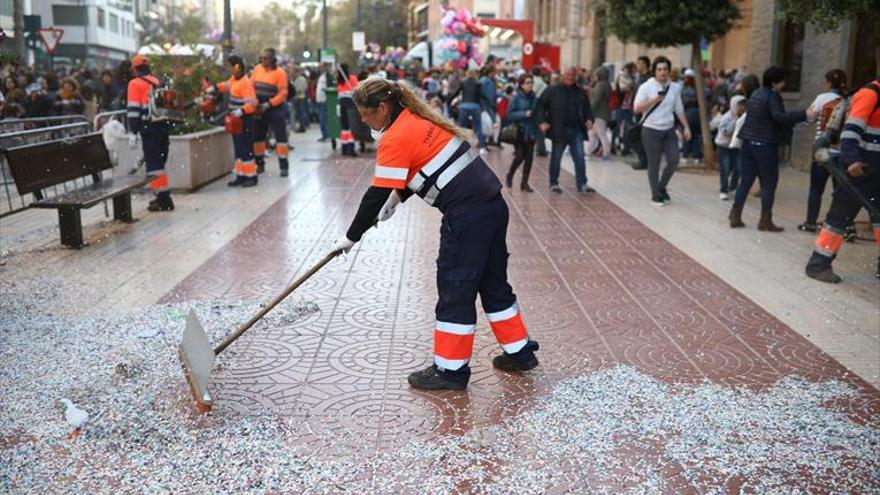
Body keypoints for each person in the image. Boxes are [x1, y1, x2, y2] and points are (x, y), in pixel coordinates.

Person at [329, 77, 540, 390]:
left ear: (383, 108)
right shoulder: (418, 120)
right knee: (493, 281)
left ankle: (450, 371)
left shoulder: (395, 136)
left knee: (456, 286)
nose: (363, 120)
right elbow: (428, 170)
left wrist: (351, 235)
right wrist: (397, 199)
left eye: (365, 113)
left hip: (467, 217)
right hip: (492, 207)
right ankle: (519, 352)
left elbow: (376, 193)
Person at [805, 76, 880, 283]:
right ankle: (818, 264)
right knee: (839, 219)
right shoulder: (870, 94)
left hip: (877, 172)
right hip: (860, 171)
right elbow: (851, 132)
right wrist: (852, 161)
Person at [729, 66, 815, 230]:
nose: (784, 84)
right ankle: (765, 221)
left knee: (746, 181)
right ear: (776, 82)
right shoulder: (773, 95)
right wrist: (804, 114)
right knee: (769, 183)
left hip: (748, 142)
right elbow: (779, 117)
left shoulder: (756, 94)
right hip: (765, 145)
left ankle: (735, 215)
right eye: (783, 81)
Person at [632, 56, 691, 206]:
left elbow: (679, 109)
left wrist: (686, 126)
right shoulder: (646, 86)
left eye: (665, 69)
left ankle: (661, 187)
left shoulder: (675, 87)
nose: (662, 72)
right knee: (654, 164)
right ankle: (655, 195)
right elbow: (637, 108)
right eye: (659, 69)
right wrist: (654, 100)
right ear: (654, 71)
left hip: (669, 129)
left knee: (673, 160)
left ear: (669, 71)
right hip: (651, 129)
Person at [797, 69, 849, 233]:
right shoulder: (848, 101)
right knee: (840, 191)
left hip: (821, 150)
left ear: (828, 83)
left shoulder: (821, 99)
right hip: (841, 151)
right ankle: (845, 226)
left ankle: (811, 222)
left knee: (816, 188)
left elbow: (809, 118)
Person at [538, 66, 596, 193]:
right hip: (558, 130)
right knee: (556, 157)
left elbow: (588, 109)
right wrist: (542, 121)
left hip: (576, 130)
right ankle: (554, 183)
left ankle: (582, 183)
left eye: (572, 75)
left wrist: (590, 119)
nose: (570, 77)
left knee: (580, 157)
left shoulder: (581, 92)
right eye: (568, 75)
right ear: (563, 76)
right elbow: (541, 105)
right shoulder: (552, 90)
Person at [126, 55, 174, 211]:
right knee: (159, 162)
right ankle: (163, 196)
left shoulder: (134, 84)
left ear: (134, 68)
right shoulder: (157, 81)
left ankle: (163, 200)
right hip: (162, 126)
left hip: (149, 128)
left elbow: (134, 110)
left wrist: (133, 131)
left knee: (153, 164)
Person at [211, 54, 259, 187]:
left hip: (245, 119)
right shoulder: (235, 80)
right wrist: (214, 88)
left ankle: (251, 176)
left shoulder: (245, 83)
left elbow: (252, 104)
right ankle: (241, 175)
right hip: (236, 119)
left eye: (230, 66)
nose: (228, 69)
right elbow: (226, 85)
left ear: (237, 67)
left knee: (246, 147)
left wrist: (242, 111)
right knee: (238, 148)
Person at [251, 48, 290, 177]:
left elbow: (283, 94)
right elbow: (251, 86)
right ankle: (259, 163)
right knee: (258, 137)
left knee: (280, 137)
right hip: (259, 106)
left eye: (266, 58)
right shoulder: (257, 69)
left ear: (273, 59)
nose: (263, 60)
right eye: (261, 58)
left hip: (275, 107)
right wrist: (254, 102)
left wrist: (268, 104)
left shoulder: (280, 73)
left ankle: (283, 165)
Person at [505, 74, 539, 192]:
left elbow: (537, 113)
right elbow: (509, 114)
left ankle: (524, 183)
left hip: (531, 131)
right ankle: (510, 174)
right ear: (521, 84)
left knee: (529, 158)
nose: (530, 85)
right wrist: (524, 114)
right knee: (520, 156)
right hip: (520, 131)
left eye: (531, 82)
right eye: (527, 82)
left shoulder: (535, 97)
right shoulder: (516, 98)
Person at [714, 95, 746, 200]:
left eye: (743, 105)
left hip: (736, 146)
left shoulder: (744, 117)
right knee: (725, 169)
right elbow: (726, 131)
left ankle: (733, 187)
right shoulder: (726, 117)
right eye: (740, 105)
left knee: (738, 168)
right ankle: (724, 190)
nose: (742, 107)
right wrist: (735, 121)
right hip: (724, 147)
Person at [453, 69, 487, 151]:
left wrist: (449, 100)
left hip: (464, 106)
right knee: (478, 127)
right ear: (475, 74)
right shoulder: (478, 84)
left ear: (467, 74)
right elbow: (482, 95)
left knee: (460, 126)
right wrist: (486, 103)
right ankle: (482, 147)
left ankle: (458, 146)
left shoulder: (463, 83)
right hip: (475, 106)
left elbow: (456, 92)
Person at [588, 66, 612, 161]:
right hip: (603, 112)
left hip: (599, 113)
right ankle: (589, 151)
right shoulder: (606, 84)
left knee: (600, 134)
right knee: (593, 133)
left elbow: (596, 100)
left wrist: (589, 110)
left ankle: (606, 153)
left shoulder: (600, 85)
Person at [337, 64, 359, 156]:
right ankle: (351, 148)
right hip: (350, 104)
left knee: (344, 127)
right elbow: (357, 90)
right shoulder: (353, 78)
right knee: (351, 127)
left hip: (341, 104)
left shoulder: (339, 80)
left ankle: (344, 148)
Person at [315, 63, 330, 142]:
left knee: (323, 119)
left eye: (321, 67)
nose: (319, 69)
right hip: (319, 101)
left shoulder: (326, 76)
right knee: (321, 119)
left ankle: (326, 135)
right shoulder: (321, 77)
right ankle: (324, 135)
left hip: (324, 101)